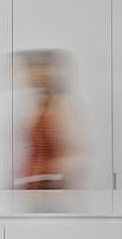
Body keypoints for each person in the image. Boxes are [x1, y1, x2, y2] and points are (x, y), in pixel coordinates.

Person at [14, 49, 80, 190]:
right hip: (32, 180)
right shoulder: (33, 104)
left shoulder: (60, 105)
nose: (32, 74)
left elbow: (70, 148)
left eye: (39, 68)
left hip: (48, 182)